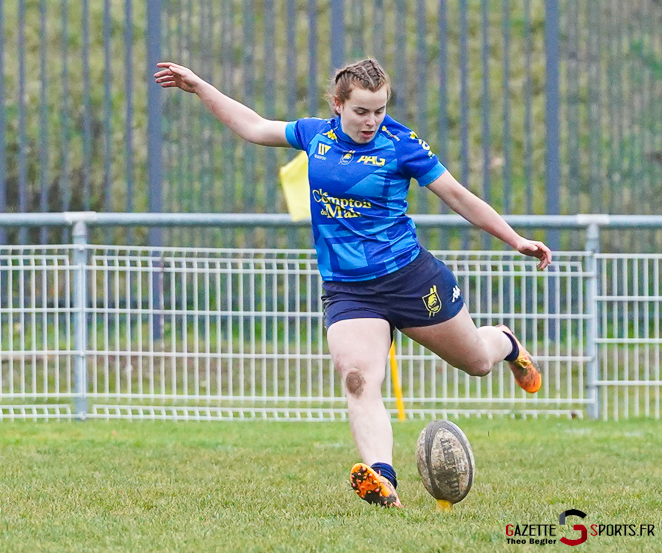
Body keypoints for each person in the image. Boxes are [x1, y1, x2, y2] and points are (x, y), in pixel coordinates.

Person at [154, 58, 551, 509]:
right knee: (358, 378)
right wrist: (201, 85)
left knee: (478, 362)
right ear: (339, 104)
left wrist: (515, 239)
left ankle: (507, 342)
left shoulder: (402, 146)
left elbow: (458, 195)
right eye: (362, 111)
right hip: (349, 289)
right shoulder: (314, 135)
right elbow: (254, 126)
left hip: (411, 279)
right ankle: (383, 480)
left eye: (380, 110)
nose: (372, 121)